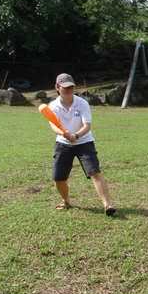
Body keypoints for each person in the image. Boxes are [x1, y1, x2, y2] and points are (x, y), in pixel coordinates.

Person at [48, 73, 116, 216]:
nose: (68, 90)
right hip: (63, 143)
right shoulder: (53, 106)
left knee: (94, 172)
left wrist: (76, 135)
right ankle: (66, 201)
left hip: (84, 141)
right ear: (57, 87)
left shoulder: (82, 103)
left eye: (71, 87)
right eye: (65, 87)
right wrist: (64, 134)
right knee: (58, 178)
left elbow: (87, 125)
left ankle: (107, 204)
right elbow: (53, 125)